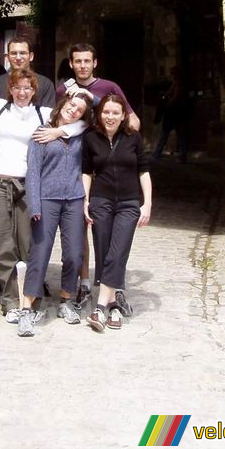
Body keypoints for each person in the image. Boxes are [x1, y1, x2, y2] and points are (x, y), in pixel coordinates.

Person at [0, 68, 85, 321]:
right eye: (17, 87)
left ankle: (29, 297)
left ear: (34, 91)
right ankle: (9, 301)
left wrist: (60, 131)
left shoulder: (43, 113)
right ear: (10, 89)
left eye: (27, 88)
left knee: (29, 246)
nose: (22, 92)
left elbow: (83, 120)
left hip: (30, 184)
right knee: (3, 245)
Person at [56, 42, 141, 313]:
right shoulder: (62, 90)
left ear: (95, 63)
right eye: (77, 61)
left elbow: (134, 122)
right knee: (82, 227)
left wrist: (117, 138)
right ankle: (84, 284)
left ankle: (114, 290)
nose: (82, 65)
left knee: (112, 235)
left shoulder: (109, 88)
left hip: (102, 162)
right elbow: (55, 118)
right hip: (71, 163)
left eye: (87, 61)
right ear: (71, 63)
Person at [17, 91, 94, 338]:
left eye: (80, 109)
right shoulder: (41, 133)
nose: (74, 110)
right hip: (47, 200)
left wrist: (63, 130)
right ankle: (27, 308)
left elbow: (91, 122)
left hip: (73, 199)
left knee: (74, 254)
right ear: (62, 104)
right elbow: (33, 172)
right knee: (39, 253)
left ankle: (66, 300)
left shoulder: (82, 133)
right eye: (72, 105)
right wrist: (35, 205)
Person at [82, 93, 152, 333]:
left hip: (128, 203)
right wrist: (85, 200)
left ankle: (100, 305)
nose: (110, 116)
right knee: (103, 250)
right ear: (100, 113)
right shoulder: (91, 138)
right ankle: (113, 305)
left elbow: (143, 170)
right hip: (101, 201)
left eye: (115, 113)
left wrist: (148, 203)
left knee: (118, 250)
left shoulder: (133, 138)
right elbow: (86, 171)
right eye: (106, 112)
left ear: (123, 116)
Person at [0, 35, 56, 108]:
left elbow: (48, 116)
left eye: (22, 53)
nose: (18, 57)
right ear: (8, 57)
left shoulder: (46, 84)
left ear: (31, 56)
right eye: (14, 53)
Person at [152, 67, 189, 163]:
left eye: (173, 73)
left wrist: (167, 104)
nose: (172, 76)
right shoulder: (174, 84)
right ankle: (157, 155)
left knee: (176, 135)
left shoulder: (178, 84)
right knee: (168, 134)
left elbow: (175, 97)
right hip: (174, 114)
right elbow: (168, 94)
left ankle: (181, 156)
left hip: (176, 113)